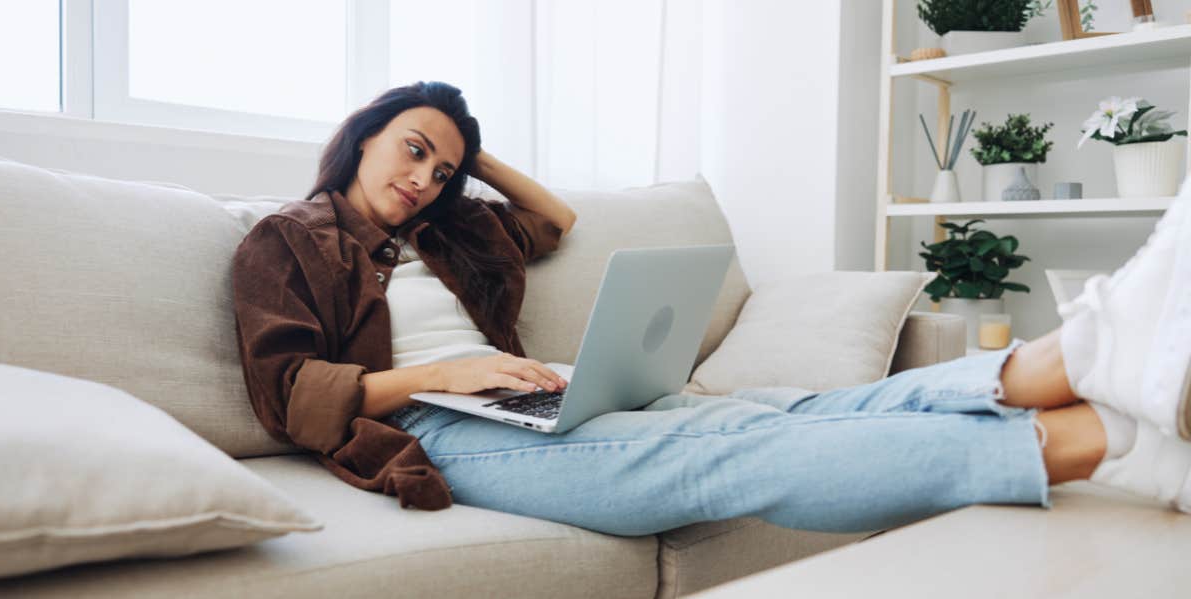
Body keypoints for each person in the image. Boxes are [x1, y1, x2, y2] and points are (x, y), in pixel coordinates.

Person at [231, 81, 1191, 537]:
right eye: (410, 148)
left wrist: (467, 153)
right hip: (440, 428)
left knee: (788, 408)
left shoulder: (454, 230)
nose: (423, 175)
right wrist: (448, 373)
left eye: (439, 165)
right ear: (358, 137)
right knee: (733, 457)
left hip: (532, 392)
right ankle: (1109, 435)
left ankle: (1076, 365)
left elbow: (554, 219)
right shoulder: (285, 240)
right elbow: (287, 394)